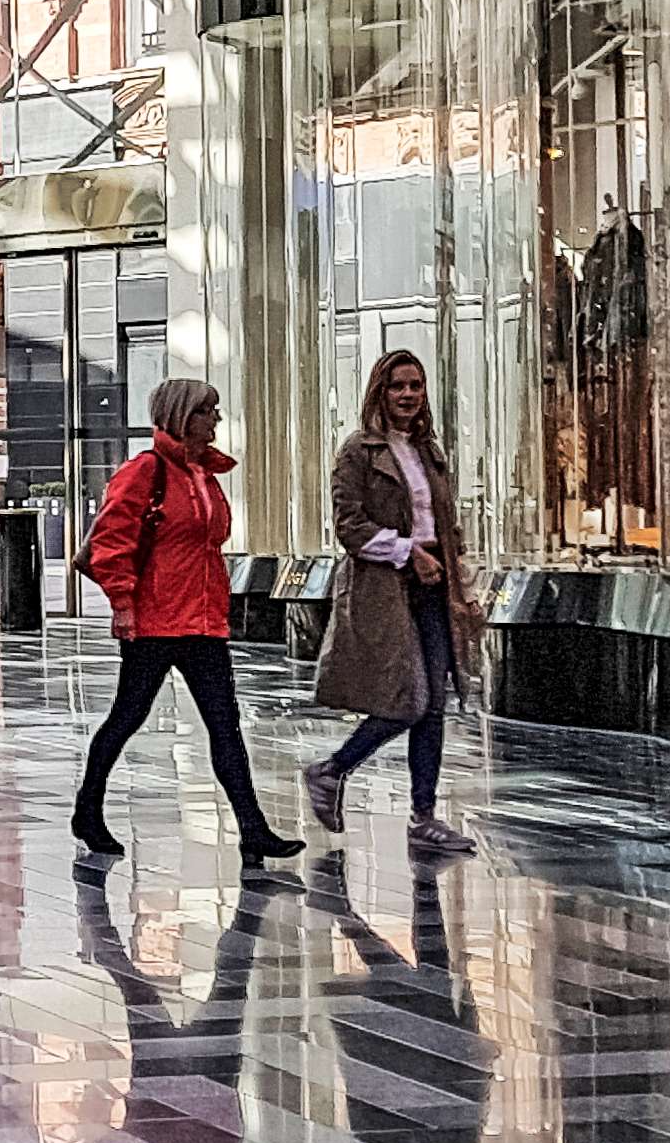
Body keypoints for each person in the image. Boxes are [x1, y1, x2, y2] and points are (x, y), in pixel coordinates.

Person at [73, 377, 297, 868]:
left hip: (202, 622)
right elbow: (111, 542)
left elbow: (208, 540)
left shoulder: (204, 476)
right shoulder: (145, 472)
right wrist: (123, 605)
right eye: (207, 410)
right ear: (182, 416)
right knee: (127, 718)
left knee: (225, 726)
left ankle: (253, 828)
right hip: (154, 623)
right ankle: (88, 809)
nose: (216, 419)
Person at [305, 348, 477, 855]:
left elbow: (445, 523)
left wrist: (460, 580)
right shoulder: (359, 452)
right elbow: (349, 527)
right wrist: (408, 553)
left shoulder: (428, 450)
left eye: (415, 386)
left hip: (435, 591)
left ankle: (424, 816)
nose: (407, 395)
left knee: (434, 707)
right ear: (380, 391)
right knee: (408, 700)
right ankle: (332, 769)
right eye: (397, 386)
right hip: (387, 589)